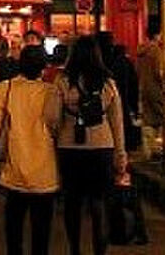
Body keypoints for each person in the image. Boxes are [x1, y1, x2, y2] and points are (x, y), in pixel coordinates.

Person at [45, 35, 127, 255]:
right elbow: (117, 122)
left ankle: (75, 250)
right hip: (102, 147)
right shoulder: (108, 83)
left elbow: (52, 118)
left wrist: (59, 131)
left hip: (70, 149)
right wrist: (120, 155)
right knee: (99, 203)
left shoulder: (63, 81)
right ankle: (100, 251)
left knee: (72, 202)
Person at [0, 45, 59, 255]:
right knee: (41, 231)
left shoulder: (6, 89)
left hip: (15, 169)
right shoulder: (51, 92)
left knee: (14, 227)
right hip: (45, 171)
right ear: (43, 67)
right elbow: (56, 126)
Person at [136, 20, 164, 160]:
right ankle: (158, 150)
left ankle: (147, 151)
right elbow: (159, 72)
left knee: (147, 120)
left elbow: (137, 70)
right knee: (161, 119)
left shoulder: (140, 51)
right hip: (156, 89)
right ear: (157, 34)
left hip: (143, 88)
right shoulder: (156, 51)